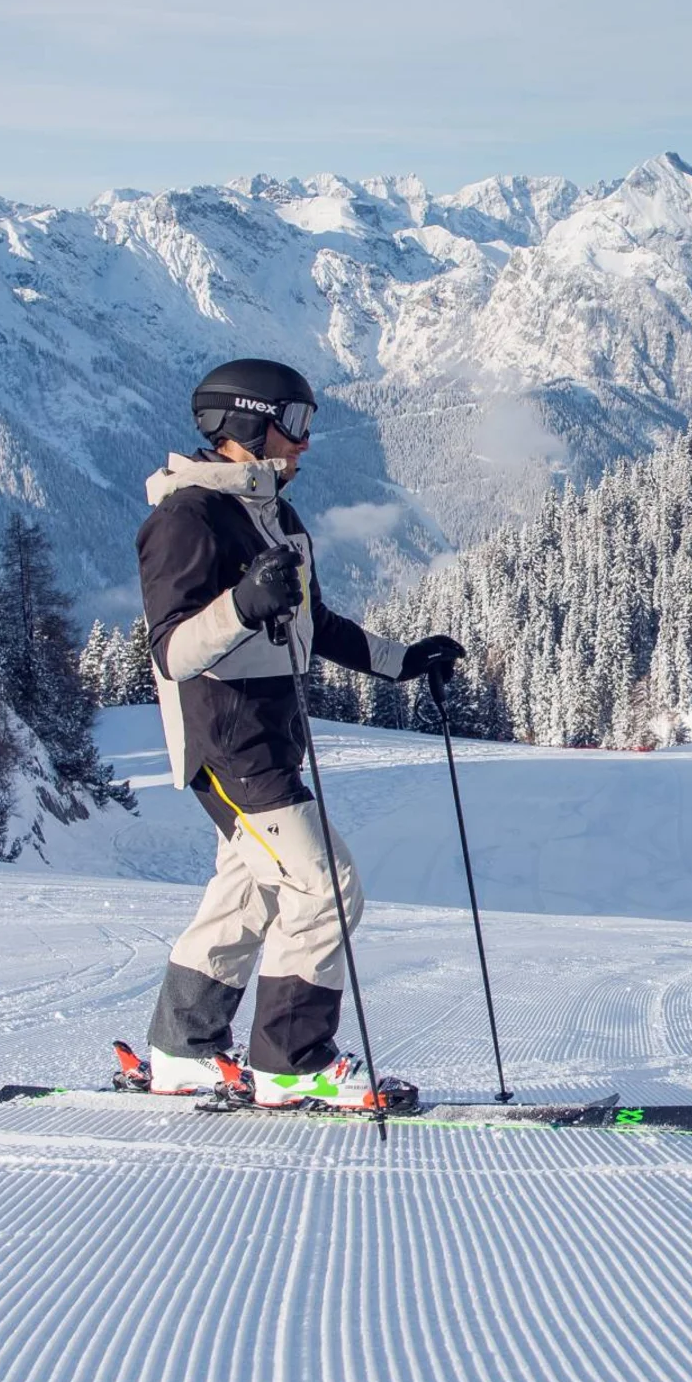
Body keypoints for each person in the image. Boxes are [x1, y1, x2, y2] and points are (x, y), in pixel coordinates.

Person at [134, 357, 464, 1108]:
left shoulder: (275, 516)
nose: (306, 441)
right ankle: (291, 1061)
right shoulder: (185, 518)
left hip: (270, 736)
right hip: (229, 742)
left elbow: (314, 625)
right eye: (294, 422)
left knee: (247, 895)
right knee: (325, 887)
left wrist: (403, 662)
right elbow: (172, 651)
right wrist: (241, 605)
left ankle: (182, 1050)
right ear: (245, 423)